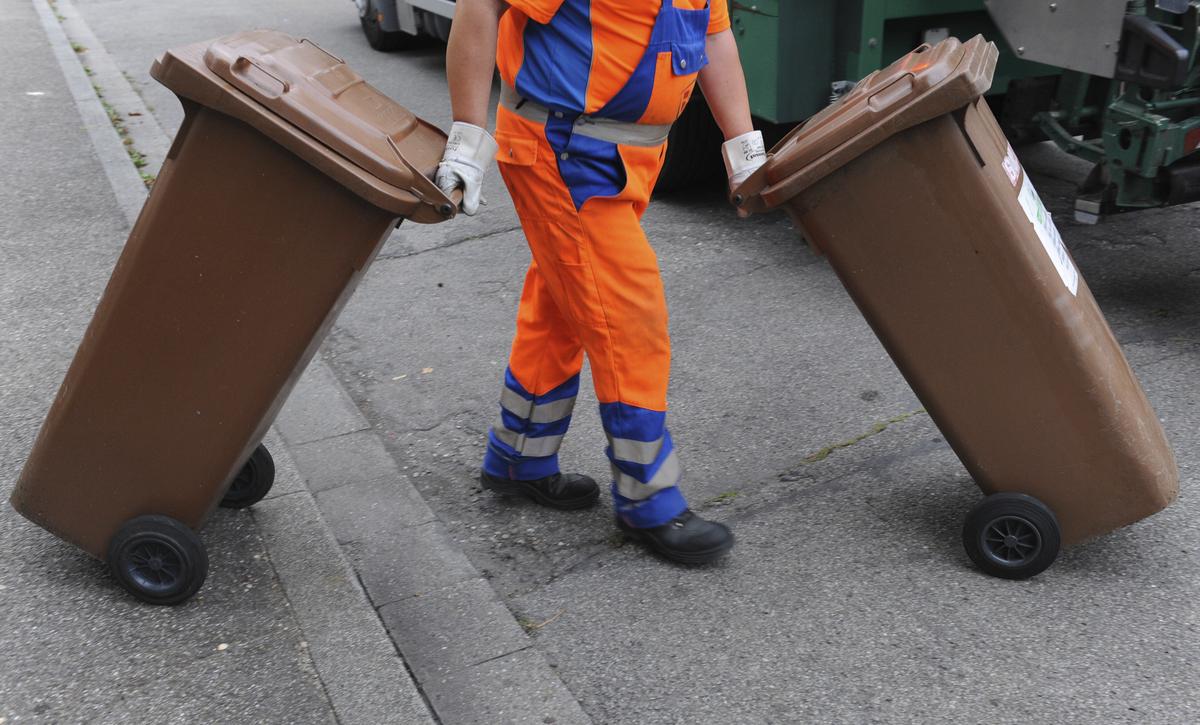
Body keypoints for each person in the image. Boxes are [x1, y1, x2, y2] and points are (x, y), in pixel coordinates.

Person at [437, 0, 765, 564]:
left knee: (566, 303)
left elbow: (714, 39)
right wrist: (467, 140)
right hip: (564, 153)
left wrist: (745, 153)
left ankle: (519, 457)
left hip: (624, 157)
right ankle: (649, 498)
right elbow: (481, 6)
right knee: (629, 315)